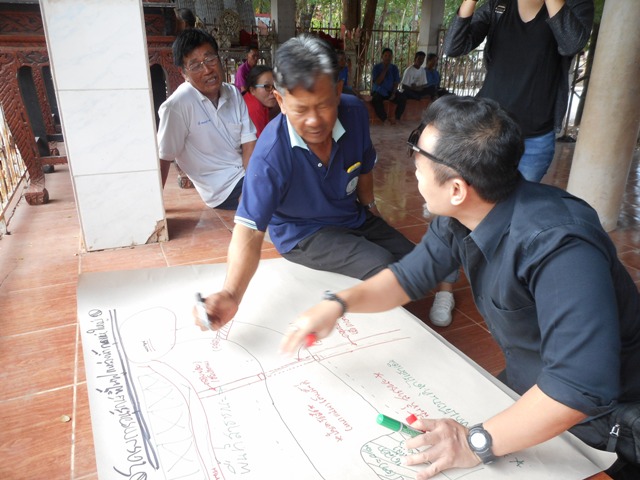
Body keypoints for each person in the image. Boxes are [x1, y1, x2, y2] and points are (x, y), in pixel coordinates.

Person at [280, 95, 640, 480]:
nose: (413, 170)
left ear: (456, 188)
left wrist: (473, 443)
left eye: (418, 161)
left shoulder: (560, 248)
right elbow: (407, 278)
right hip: (530, 387)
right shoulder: (461, 215)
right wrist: (338, 303)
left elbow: (579, 389)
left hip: (604, 426)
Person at [197, 34, 414, 330]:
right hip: (303, 232)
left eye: (323, 106)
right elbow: (248, 231)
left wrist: (371, 209)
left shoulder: (354, 114)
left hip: (351, 215)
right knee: (383, 266)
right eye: (300, 109)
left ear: (338, 92)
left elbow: (364, 168)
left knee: (414, 260)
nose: (314, 121)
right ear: (281, 101)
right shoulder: (270, 153)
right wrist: (231, 294)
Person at [443, 0, 594, 182]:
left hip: (535, 137)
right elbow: (453, 47)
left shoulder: (576, 4)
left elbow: (571, 45)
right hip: (486, 130)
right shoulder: (497, 5)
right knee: (475, 194)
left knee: (520, 198)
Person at [157, 29, 256, 210]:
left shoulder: (233, 93)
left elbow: (249, 142)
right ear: (183, 73)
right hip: (223, 190)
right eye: (195, 66)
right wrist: (155, 209)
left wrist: (252, 183)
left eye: (210, 59)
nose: (207, 70)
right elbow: (164, 156)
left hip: (246, 177)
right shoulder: (177, 106)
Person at [371, 48, 406, 124]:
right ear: (382, 57)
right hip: (379, 91)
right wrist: (385, 69)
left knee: (402, 97)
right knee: (376, 99)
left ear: (392, 57)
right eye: (386, 55)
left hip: (390, 91)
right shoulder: (376, 67)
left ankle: (397, 118)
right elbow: (378, 82)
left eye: (389, 56)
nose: (387, 58)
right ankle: (384, 119)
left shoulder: (394, 68)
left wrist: (393, 93)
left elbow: (396, 82)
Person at [243, 65, 279, 138]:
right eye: (267, 87)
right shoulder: (255, 109)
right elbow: (263, 142)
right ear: (252, 90)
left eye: (276, 86)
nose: (273, 91)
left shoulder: (255, 101)